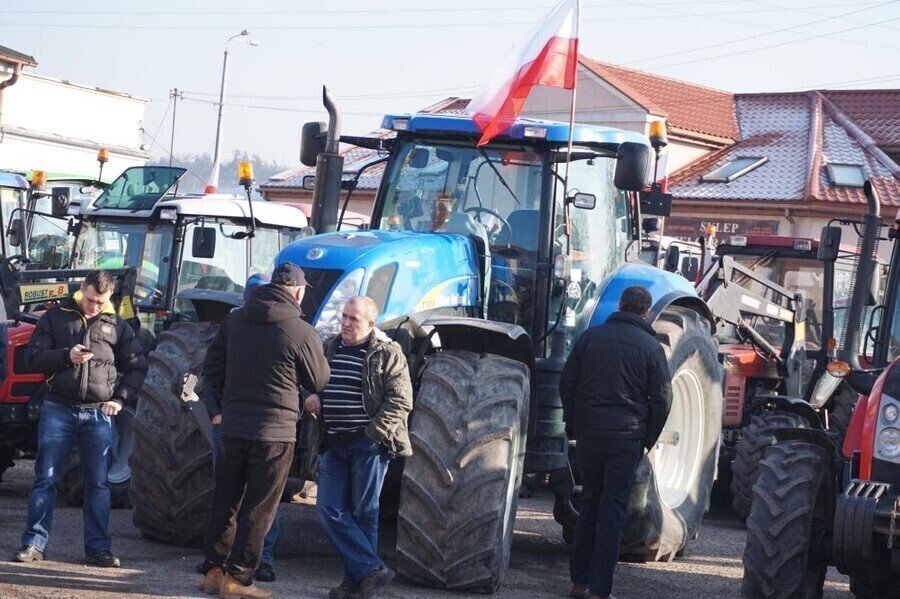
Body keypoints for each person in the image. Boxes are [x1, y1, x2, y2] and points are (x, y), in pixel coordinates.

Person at [198, 262, 330, 599]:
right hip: (275, 432)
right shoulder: (301, 331)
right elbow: (317, 380)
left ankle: (214, 570)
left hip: (232, 427)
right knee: (259, 508)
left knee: (226, 499)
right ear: (298, 292)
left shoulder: (234, 320)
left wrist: (216, 411)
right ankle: (239, 580)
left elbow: (211, 368)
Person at [13, 270, 148, 568]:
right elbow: (32, 358)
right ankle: (33, 544)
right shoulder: (56, 316)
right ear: (82, 290)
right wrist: (66, 356)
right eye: (90, 300)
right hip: (58, 409)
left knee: (98, 484)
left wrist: (119, 399)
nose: (94, 307)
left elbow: (138, 366)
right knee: (46, 479)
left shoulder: (117, 325)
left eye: (100, 303)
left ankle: (98, 549)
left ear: (109, 297)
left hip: (99, 413)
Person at [559, 285, 672, 599]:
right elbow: (662, 399)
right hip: (626, 440)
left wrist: (576, 424)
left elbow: (567, 384)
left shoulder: (589, 338)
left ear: (620, 305)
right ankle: (600, 590)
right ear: (646, 312)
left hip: (590, 437)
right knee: (612, 513)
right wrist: (646, 439)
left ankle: (578, 583)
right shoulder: (651, 348)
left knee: (589, 507)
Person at [304, 296, 413, 599]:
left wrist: (372, 435)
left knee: (365, 512)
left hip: (367, 445)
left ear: (371, 324)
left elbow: (401, 401)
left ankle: (356, 583)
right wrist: (311, 394)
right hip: (332, 442)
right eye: (344, 317)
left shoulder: (388, 353)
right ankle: (371, 569)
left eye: (354, 318)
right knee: (328, 510)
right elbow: (312, 380)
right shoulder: (330, 347)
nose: (347, 323)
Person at [201, 272, 281, 583]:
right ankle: (221, 561)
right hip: (230, 423)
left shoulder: (279, 329)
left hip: (263, 426)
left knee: (262, 498)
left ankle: (264, 558)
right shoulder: (232, 325)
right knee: (228, 496)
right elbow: (213, 370)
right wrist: (215, 412)